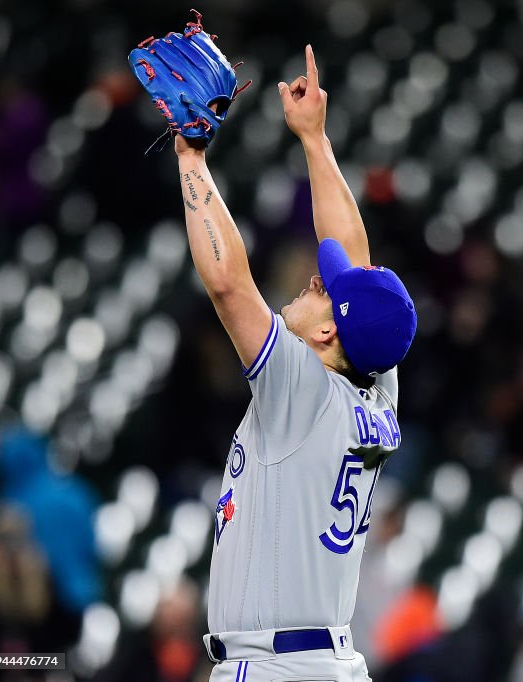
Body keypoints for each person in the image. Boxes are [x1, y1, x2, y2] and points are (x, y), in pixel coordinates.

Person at [173, 45, 416, 682]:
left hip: (274, 667)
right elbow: (353, 256)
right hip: (324, 662)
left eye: (320, 291)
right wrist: (314, 138)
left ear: (332, 329)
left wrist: (192, 159)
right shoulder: (374, 384)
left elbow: (228, 284)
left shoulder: (303, 388)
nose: (313, 280)